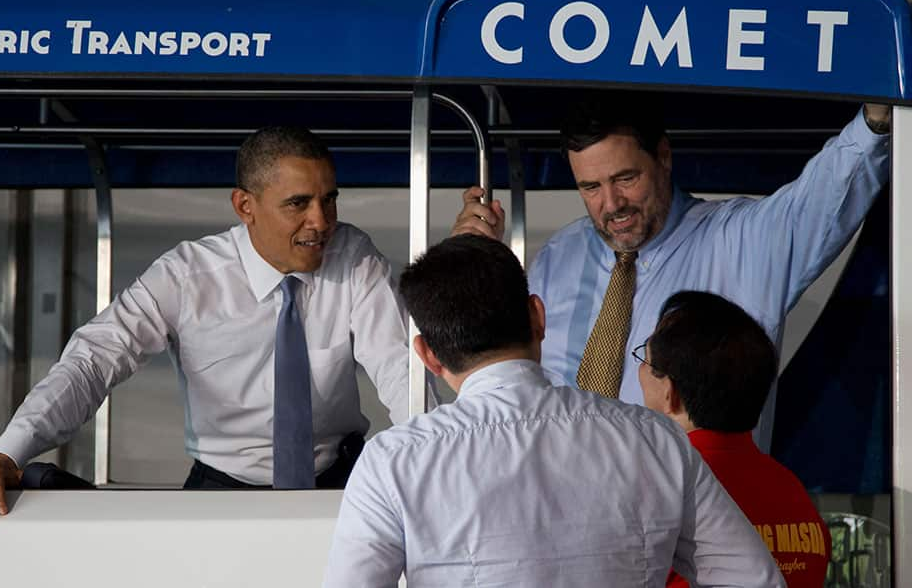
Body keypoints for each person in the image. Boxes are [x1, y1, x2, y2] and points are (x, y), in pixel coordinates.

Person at [0, 125, 414, 520]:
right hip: (220, 491)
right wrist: (7, 452)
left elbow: (400, 369)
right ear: (244, 206)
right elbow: (92, 361)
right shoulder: (185, 275)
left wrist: (441, 458)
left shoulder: (353, 258)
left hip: (340, 480)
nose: (321, 221)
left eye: (329, 199)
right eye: (298, 203)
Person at [323, 234, 783, 587]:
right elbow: (754, 580)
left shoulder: (394, 462)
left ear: (428, 355)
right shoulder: (654, 440)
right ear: (538, 317)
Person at [452, 95, 890, 441]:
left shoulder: (741, 240)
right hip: (570, 523)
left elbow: (824, 198)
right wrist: (472, 269)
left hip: (691, 532)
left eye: (626, 179)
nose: (611, 204)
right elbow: (507, 377)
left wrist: (874, 123)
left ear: (663, 156)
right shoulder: (559, 254)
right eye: (590, 187)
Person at [637, 291, 830, 587]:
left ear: (669, 393)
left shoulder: (659, 488)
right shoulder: (792, 491)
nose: (639, 373)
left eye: (645, 361)